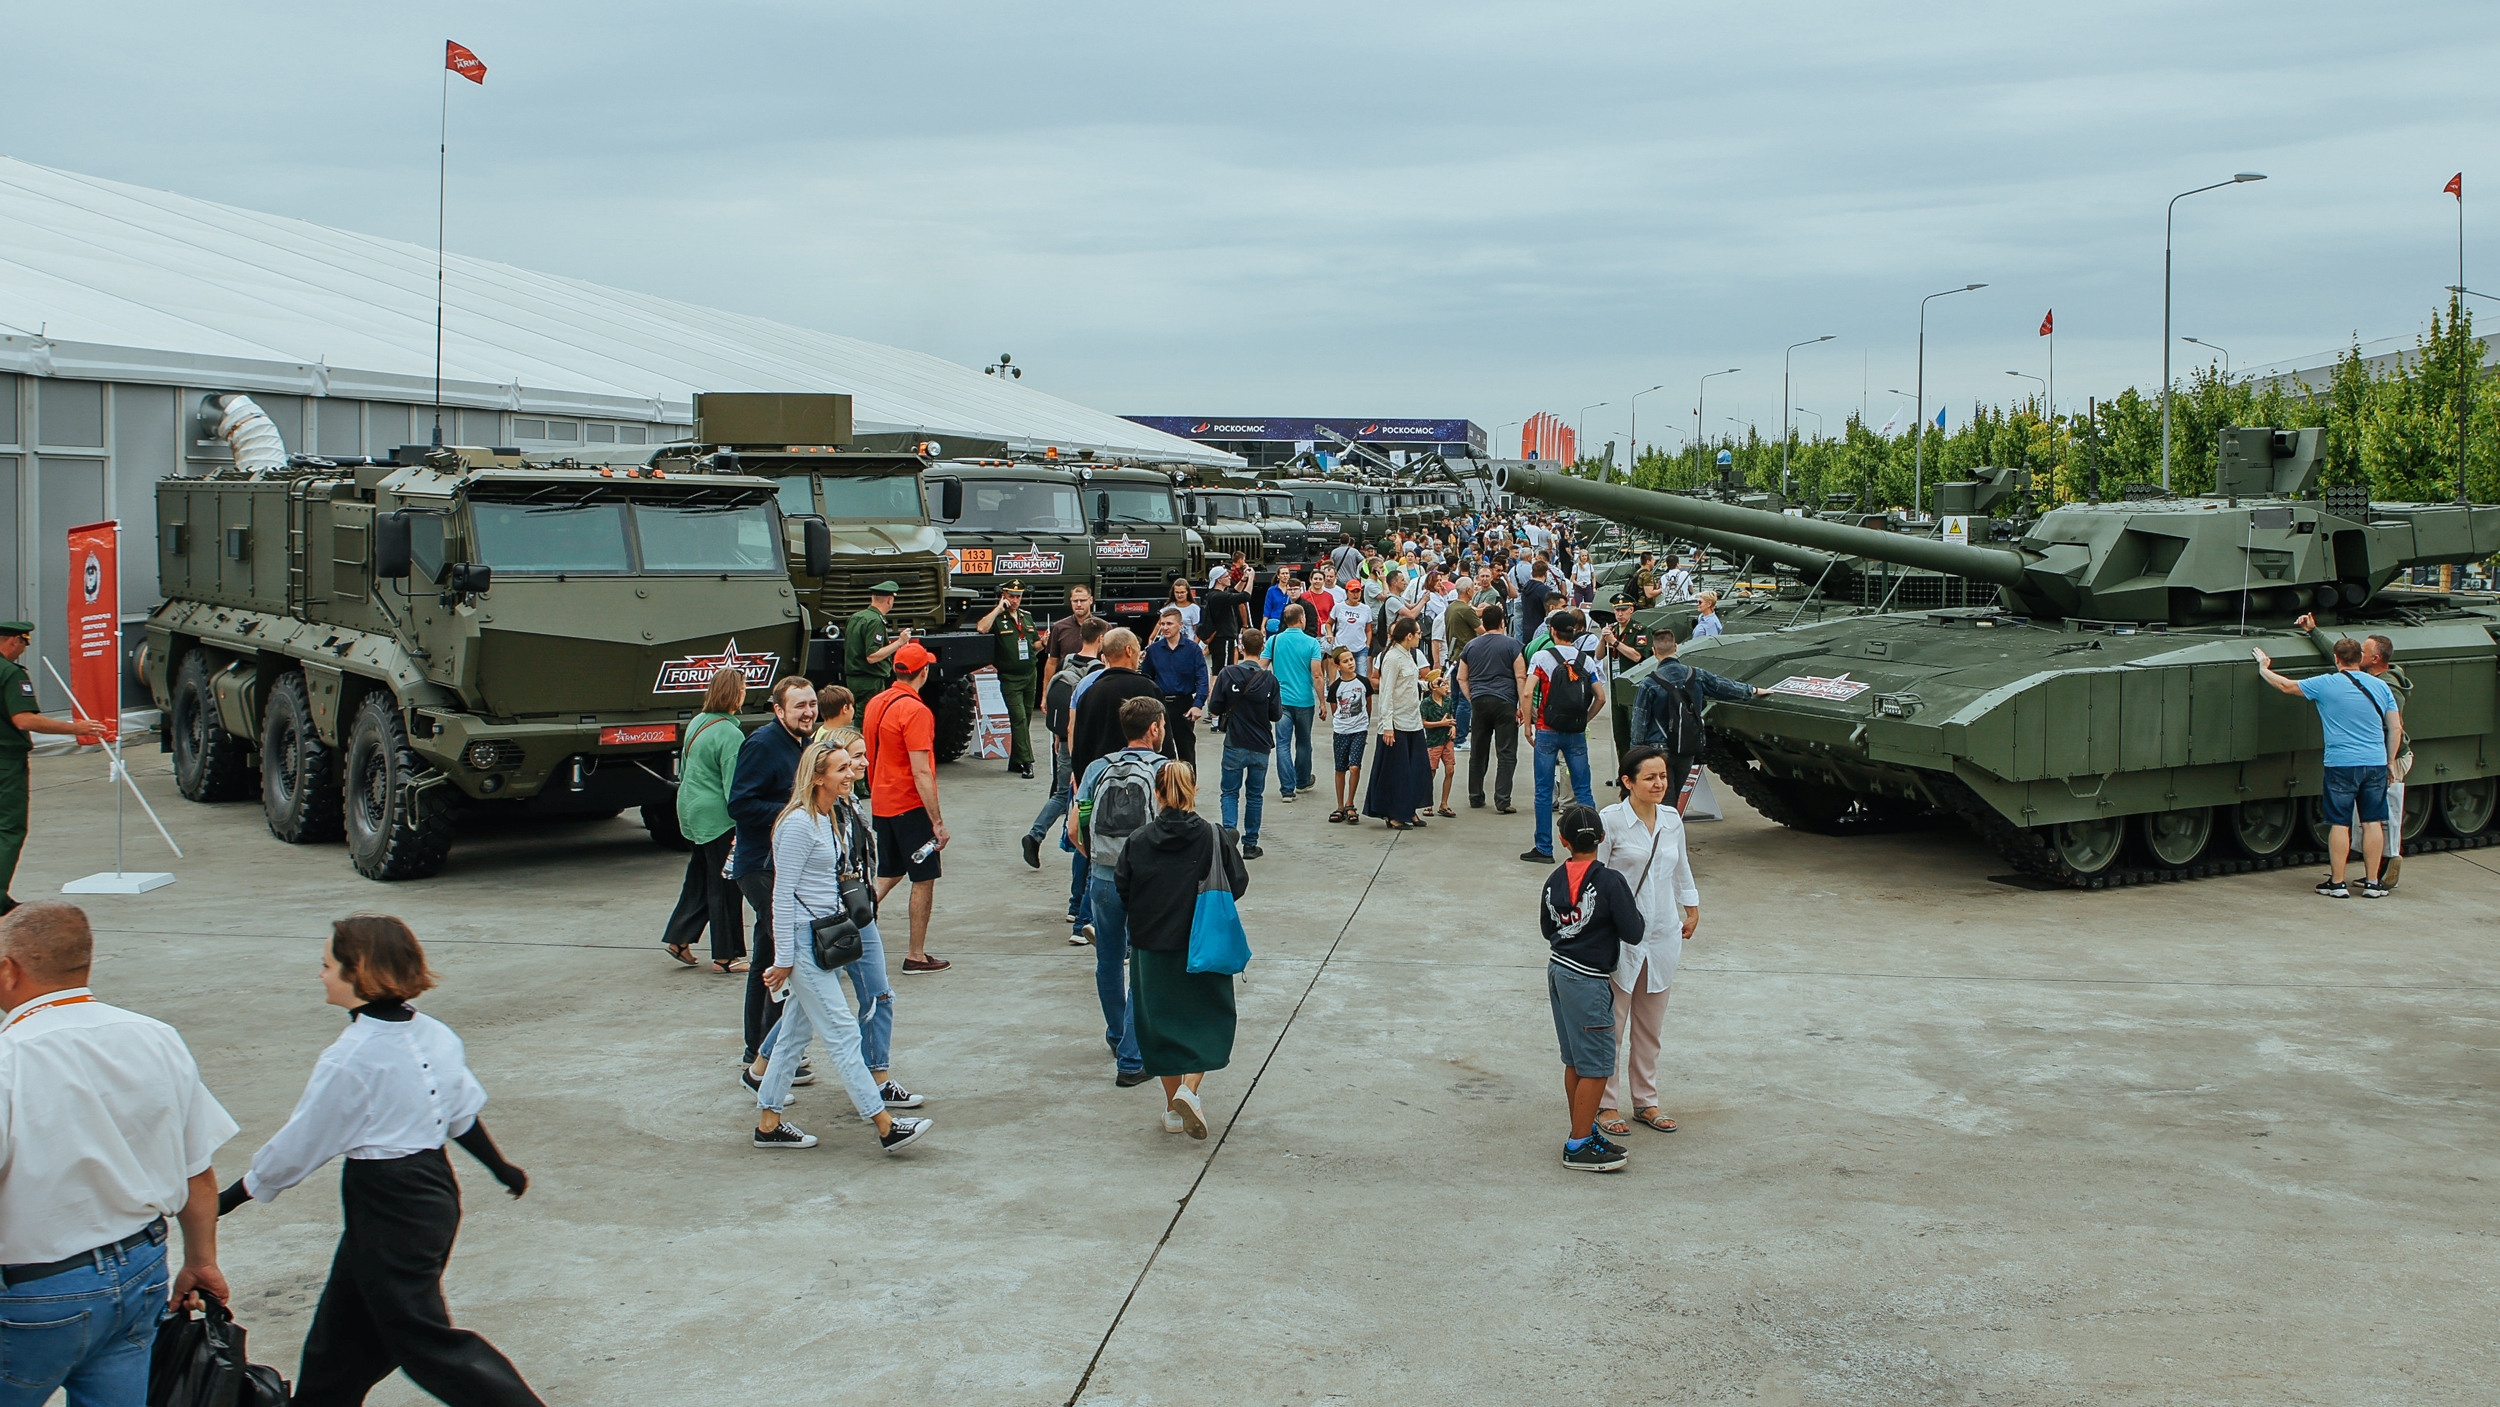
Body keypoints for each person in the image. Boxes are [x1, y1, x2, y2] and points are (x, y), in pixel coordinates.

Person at [224, 914, 542, 1405]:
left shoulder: (351, 1058)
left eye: (327, 965)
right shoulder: (435, 1033)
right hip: (432, 1190)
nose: (320, 974)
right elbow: (459, 1113)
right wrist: (500, 1168)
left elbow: (302, 1142)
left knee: (421, 1337)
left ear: (358, 972)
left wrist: (230, 1197)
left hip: (388, 1200)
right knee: (342, 1336)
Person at [0, 902, 235, 1405]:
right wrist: (201, 1260)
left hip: (37, 1292)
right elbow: (196, 1171)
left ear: (8, 970)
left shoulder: (9, 1058)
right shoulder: (155, 1037)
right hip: (139, 1271)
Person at [752, 743, 934, 1154]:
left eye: (849, 767)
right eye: (841, 769)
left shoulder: (827, 816)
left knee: (794, 1035)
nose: (850, 773)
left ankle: (768, 1124)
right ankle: (886, 1126)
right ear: (818, 777)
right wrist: (784, 960)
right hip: (804, 943)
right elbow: (781, 896)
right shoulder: (797, 824)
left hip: (824, 939)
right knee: (843, 1034)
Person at [1116, 761, 1249, 1140]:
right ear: (1194, 791)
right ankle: (1190, 1090)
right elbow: (1237, 883)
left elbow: (1123, 889)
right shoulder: (1213, 836)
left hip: (1152, 948)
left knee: (1160, 1029)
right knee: (1210, 1020)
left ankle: (1174, 1108)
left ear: (1157, 794)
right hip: (1204, 944)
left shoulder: (1138, 840)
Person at [1591, 747, 1699, 1140]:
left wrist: (1691, 907)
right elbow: (1595, 876)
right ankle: (1605, 1104)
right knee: (1612, 1027)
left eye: (1663, 777)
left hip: (1663, 933)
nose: (1659, 784)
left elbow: (1680, 867)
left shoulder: (1671, 819)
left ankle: (1645, 1101)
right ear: (1627, 781)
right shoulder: (1611, 820)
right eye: (1650, 777)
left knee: (1650, 1028)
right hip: (1622, 937)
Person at [1071, 697, 1170, 1087]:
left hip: (1102, 879)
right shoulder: (1165, 770)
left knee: (1108, 961)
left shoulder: (1098, 768)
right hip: (1147, 882)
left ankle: (1117, 1035)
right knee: (1144, 968)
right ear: (1154, 728)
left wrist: (1098, 858)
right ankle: (1132, 1059)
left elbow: (1075, 829)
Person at [1540, 804, 1644, 1173]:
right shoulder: (1611, 881)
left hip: (1559, 969)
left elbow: (1547, 929)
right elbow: (1634, 932)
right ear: (1602, 837)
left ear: (1563, 840)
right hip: (1588, 979)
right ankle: (1578, 1145)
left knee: (1575, 1061)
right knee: (1598, 1065)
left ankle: (1582, 1131)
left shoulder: (1553, 880)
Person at [2255, 638, 2400, 898]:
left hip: (2341, 764)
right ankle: (2372, 883)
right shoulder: (2380, 685)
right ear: (2360, 658)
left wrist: (2263, 668)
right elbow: (2395, 727)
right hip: (2375, 763)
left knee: (2340, 823)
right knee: (2372, 823)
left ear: (2336, 658)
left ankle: (2338, 883)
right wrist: (2389, 761)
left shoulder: (2325, 683)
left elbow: (2286, 686)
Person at [728, 676, 818, 1065]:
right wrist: (793, 812)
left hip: (786, 865)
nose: (808, 712)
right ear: (779, 710)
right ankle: (769, 1054)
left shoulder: (804, 744)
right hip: (760, 866)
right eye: (800, 706)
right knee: (784, 955)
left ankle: (761, 1049)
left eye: (812, 704)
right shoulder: (763, 744)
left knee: (768, 957)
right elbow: (739, 804)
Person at [2301, 615, 2416, 889]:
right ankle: (2373, 876)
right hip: (2373, 756)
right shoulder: (2368, 677)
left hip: (2387, 755)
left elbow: (2393, 727)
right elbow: (2343, 659)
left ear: (2374, 659)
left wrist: (2388, 760)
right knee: (2372, 818)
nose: (2359, 654)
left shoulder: (2388, 685)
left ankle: (2386, 869)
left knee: (2386, 817)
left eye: (2364, 651)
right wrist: (2314, 631)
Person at [0, 622, 107, 912]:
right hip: (5, 762)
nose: (23, 649)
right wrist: (76, 728)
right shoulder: (10, 673)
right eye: (24, 643)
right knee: (8, 829)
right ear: (13, 641)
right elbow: (24, 719)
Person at [862, 641, 951, 973]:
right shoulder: (916, 711)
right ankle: (916, 954)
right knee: (923, 877)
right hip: (909, 804)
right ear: (923, 672)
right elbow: (921, 771)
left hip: (882, 801)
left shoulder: (876, 702)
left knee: (889, 872)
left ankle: (849, 920)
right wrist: (937, 821)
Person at [661, 668, 750, 974]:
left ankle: (679, 938)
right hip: (717, 818)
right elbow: (733, 788)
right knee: (725, 885)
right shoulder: (731, 734)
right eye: (743, 688)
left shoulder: (698, 722)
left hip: (691, 811)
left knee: (700, 876)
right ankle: (727, 955)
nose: (745, 693)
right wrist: (744, 822)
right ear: (735, 694)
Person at [1630, 628, 1768, 806]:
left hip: (1659, 749)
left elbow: (1639, 721)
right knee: (1674, 797)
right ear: (1676, 647)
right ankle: (1673, 822)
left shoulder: (1649, 683)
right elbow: (1723, 686)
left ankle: (1667, 824)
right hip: (1687, 745)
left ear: (1654, 651)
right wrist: (1752, 690)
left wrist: (1635, 752)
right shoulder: (1696, 675)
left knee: (1663, 800)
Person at [1524, 610, 1603, 863]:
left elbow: (1527, 692)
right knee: (1583, 789)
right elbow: (1600, 697)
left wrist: (1528, 725)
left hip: (1547, 729)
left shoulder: (1541, 657)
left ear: (1552, 631)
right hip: (1575, 732)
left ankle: (1544, 848)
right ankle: (1590, 844)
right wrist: (1585, 719)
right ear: (1574, 632)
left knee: (1544, 791)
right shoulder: (1585, 660)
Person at [1208, 628, 1280, 859]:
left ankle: (1229, 830)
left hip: (1235, 741)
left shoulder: (1228, 674)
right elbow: (1276, 714)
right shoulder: (1269, 680)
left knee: (1229, 792)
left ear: (1241, 647)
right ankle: (1251, 843)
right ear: (1262, 649)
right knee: (1255, 795)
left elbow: (1214, 707)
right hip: (1260, 744)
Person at [1070, 628, 1170, 780]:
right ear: (1129, 650)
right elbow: (1163, 739)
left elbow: (1080, 744)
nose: (1139, 655)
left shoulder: (1090, 692)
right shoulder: (1147, 688)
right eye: (1138, 649)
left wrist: (1082, 780)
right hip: (1143, 778)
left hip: (1100, 780)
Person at [1363, 616, 1432, 830]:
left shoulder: (1408, 654)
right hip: (1396, 723)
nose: (1421, 636)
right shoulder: (1392, 657)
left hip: (1413, 721)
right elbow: (1386, 692)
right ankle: (1394, 814)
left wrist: (1429, 685)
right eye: (1418, 633)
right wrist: (1388, 725)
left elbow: (1409, 683)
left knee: (1415, 769)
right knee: (1397, 772)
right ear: (1409, 636)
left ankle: (1409, 809)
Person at [1459, 603, 1527, 812]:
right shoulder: (1513, 645)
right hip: (1505, 702)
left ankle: (1475, 796)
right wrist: (1522, 706)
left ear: (1483, 623)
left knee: (1478, 750)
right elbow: (1520, 676)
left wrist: (1472, 698)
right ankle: (1503, 799)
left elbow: (1461, 677)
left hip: (1480, 701)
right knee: (1506, 752)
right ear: (1502, 623)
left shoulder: (1471, 646)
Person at [978, 584, 1044, 778]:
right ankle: (1027, 762)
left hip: (1030, 674)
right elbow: (981, 628)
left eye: (1018, 597)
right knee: (1019, 718)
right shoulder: (998, 618)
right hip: (1010, 677)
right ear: (1004, 596)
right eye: (1011, 596)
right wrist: (999, 608)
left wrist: (1044, 642)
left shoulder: (1026, 617)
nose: (1015, 600)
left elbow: (1034, 645)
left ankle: (1015, 761)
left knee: (1025, 719)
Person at [1265, 602, 1328, 802]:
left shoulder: (1274, 641)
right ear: (1301, 619)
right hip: (1304, 701)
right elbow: (1317, 675)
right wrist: (1322, 702)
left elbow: (1260, 667)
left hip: (1281, 701)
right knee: (1303, 742)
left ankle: (1286, 789)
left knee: (1283, 744)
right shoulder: (1312, 643)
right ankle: (1302, 781)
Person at [1144, 605, 1212, 769]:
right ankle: (1164, 783)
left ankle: (1188, 783)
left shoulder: (1192, 649)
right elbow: (1147, 679)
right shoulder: (1153, 650)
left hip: (1184, 704)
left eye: (1169, 624)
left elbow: (1202, 678)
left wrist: (1198, 705)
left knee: (1186, 750)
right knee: (1162, 751)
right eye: (1162, 624)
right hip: (1160, 705)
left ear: (1180, 625)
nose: (1165, 628)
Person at [1325, 647, 1373, 825]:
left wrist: (1364, 723)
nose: (1350, 663)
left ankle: (1350, 803)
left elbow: (1368, 704)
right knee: (1340, 769)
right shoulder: (1335, 687)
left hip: (1359, 730)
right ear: (1338, 666)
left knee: (1354, 767)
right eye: (1345, 661)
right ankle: (1340, 806)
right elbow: (1334, 709)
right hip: (1341, 731)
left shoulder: (1363, 682)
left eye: (1351, 659)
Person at [842, 581, 910, 702]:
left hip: (853, 680)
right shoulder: (875, 621)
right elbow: (872, 656)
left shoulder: (856, 617)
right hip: (870, 682)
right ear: (890, 600)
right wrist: (900, 642)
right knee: (870, 712)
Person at [1421, 667, 1458, 818]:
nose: (1446, 687)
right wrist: (1440, 724)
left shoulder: (1448, 701)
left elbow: (1451, 717)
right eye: (1443, 684)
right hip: (1433, 741)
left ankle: (1444, 803)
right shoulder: (1426, 703)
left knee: (1450, 770)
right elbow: (1423, 723)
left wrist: (1453, 727)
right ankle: (1428, 802)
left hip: (1447, 739)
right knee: (1431, 771)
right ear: (1434, 687)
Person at [1045, 584, 1101, 683]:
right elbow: (1052, 662)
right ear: (1070, 601)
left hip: (1095, 683)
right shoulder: (1059, 627)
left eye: (1082, 600)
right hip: (1067, 684)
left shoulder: (1102, 627)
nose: (1078, 604)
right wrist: (1046, 691)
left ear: (1091, 600)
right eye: (1075, 601)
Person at [1517, 559, 1555, 643]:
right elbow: (1549, 610)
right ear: (1545, 573)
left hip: (1526, 627)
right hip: (1540, 629)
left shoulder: (1526, 587)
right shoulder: (1544, 590)